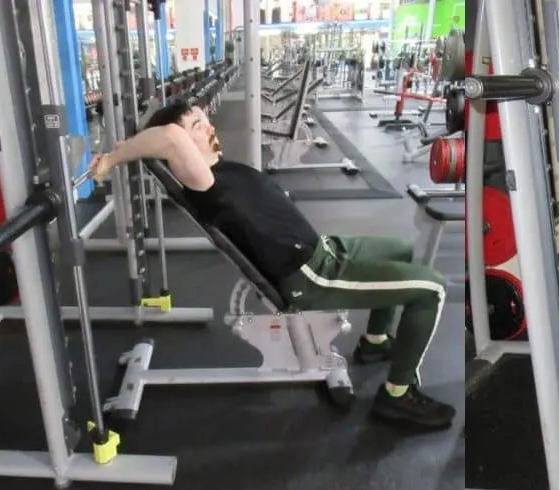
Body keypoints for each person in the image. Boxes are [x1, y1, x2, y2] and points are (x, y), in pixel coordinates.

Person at [89, 101, 455, 431]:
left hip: (325, 249)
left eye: (205, 120)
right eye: (197, 126)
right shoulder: (203, 183)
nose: (209, 126)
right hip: (312, 275)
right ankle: (398, 395)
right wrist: (114, 157)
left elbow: (174, 136)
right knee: (430, 289)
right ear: (179, 153)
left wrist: (192, 122)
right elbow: (169, 135)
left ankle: (375, 343)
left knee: (401, 251)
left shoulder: (221, 168)